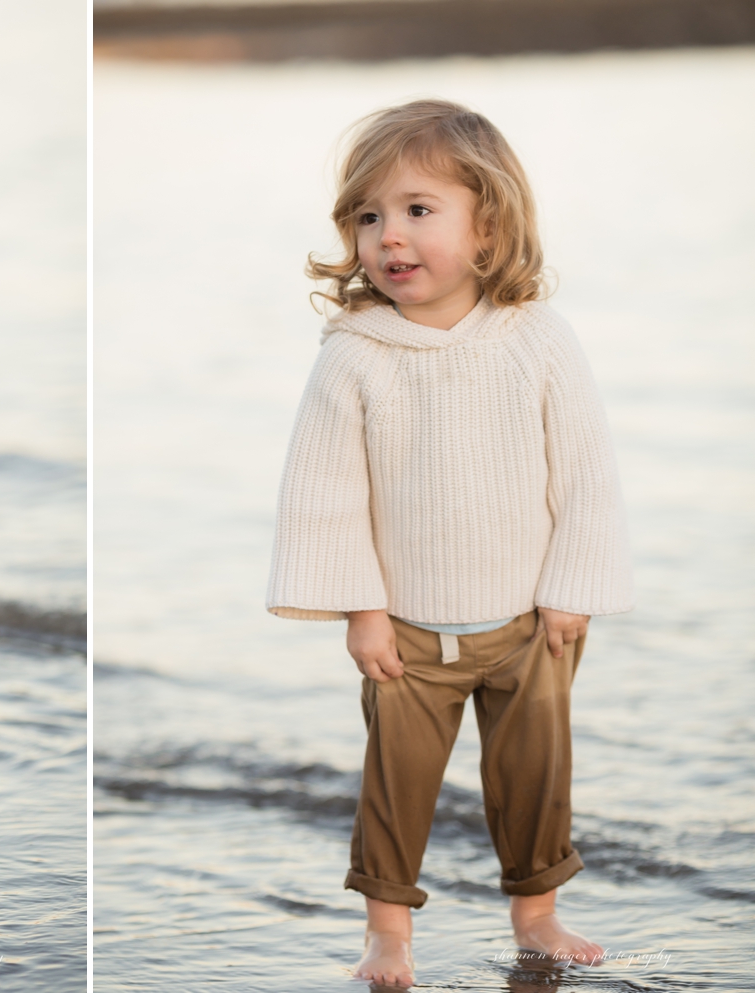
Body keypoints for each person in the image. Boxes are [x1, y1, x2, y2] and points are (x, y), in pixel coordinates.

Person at [268, 100, 631, 987]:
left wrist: (572, 588)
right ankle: (387, 930)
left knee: (534, 774)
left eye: (418, 209)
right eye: (368, 216)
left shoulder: (536, 338)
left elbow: (585, 470)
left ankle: (537, 913)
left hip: (530, 624)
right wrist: (362, 610)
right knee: (396, 784)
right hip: (408, 635)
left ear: (488, 226)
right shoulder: (356, 353)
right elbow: (327, 494)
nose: (388, 234)